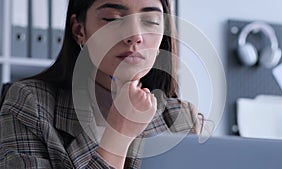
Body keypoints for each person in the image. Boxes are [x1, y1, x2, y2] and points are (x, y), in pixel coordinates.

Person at [0, 0, 203, 168]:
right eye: (113, 19)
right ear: (80, 30)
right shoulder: (30, 102)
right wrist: (118, 133)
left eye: (150, 21)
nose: (135, 37)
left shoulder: (180, 117)